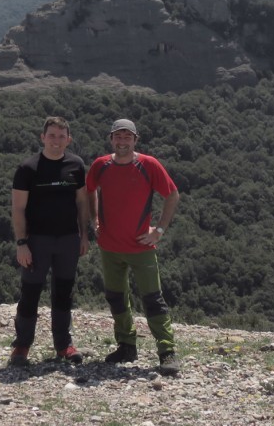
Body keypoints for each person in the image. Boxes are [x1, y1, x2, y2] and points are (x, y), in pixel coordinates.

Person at [86, 118, 182, 375]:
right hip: (110, 247)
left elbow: (172, 194)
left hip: (141, 248)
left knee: (153, 299)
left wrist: (159, 230)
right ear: (111, 139)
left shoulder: (148, 165)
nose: (123, 141)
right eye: (118, 136)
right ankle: (127, 345)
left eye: (127, 137)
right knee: (116, 298)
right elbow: (89, 190)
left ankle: (166, 350)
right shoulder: (100, 165)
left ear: (135, 140)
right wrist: (94, 220)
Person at [9, 116, 89, 367]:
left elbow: (81, 202)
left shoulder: (76, 165)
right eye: (51, 135)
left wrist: (84, 235)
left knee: (63, 293)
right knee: (30, 292)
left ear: (69, 139)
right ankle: (21, 346)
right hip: (37, 240)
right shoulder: (27, 169)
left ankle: (64, 345)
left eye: (61, 136)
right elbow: (18, 209)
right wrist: (22, 243)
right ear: (42, 137)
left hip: (68, 239)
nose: (56, 140)